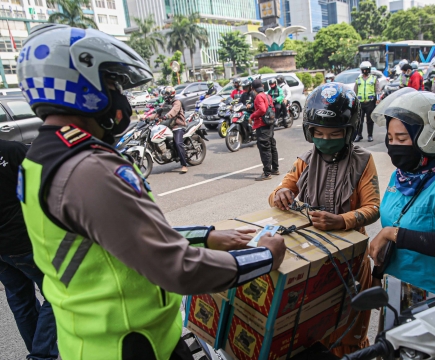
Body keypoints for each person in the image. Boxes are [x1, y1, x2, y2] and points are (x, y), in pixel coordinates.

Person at [17, 24, 286, 360]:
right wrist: (266, 257)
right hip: (131, 346)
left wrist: (207, 235)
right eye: (112, 83)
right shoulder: (89, 169)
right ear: (78, 84)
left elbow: (121, 238)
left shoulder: (42, 158)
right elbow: (178, 269)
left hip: (97, 341)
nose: (120, 96)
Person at [269, 83, 380, 356]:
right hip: (314, 261)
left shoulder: (363, 161)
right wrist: (281, 193)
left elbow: (374, 207)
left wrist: (340, 221)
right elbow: (280, 191)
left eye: (334, 134)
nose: (325, 139)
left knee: (351, 332)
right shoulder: (305, 160)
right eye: (318, 133)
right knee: (314, 332)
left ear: (349, 132)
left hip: (352, 262)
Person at [370, 88, 435, 297]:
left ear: (429, 139)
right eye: (390, 138)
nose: (393, 145)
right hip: (396, 290)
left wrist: (390, 233)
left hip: (432, 294)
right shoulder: (401, 176)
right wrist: (377, 276)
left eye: (401, 138)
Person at [0, 139, 58, 360]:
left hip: (5, 250)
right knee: (57, 294)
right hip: (22, 242)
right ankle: (41, 355)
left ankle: (39, 352)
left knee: (20, 301)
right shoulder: (11, 150)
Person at [149, 86, 188, 174]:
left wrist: (166, 116)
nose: (165, 95)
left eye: (166, 94)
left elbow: (173, 111)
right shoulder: (166, 103)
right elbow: (158, 113)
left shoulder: (177, 102)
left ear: (171, 94)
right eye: (164, 94)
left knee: (178, 143)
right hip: (168, 126)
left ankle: (184, 165)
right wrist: (148, 118)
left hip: (178, 125)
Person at [251, 78, 279, 181]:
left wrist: (252, 116)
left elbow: (262, 109)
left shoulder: (258, 96)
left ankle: (267, 173)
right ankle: (275, 169)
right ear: (262, 86)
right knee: (272, 145)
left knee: (264, 148)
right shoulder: (267, 95)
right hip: (270, 123)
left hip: (262, 125)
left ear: (253, 89)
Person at [354, 61, 378, 142]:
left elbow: (377, 90)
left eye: (366, 70)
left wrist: (377, 99)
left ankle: (370, 135)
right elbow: (355, 90)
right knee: (359, 120)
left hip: (370, 102)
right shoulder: (358, 79)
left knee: (369, 120)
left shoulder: (373, 79)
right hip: (360, 102)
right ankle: (359, 135)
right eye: (363, 70)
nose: (365, 71)